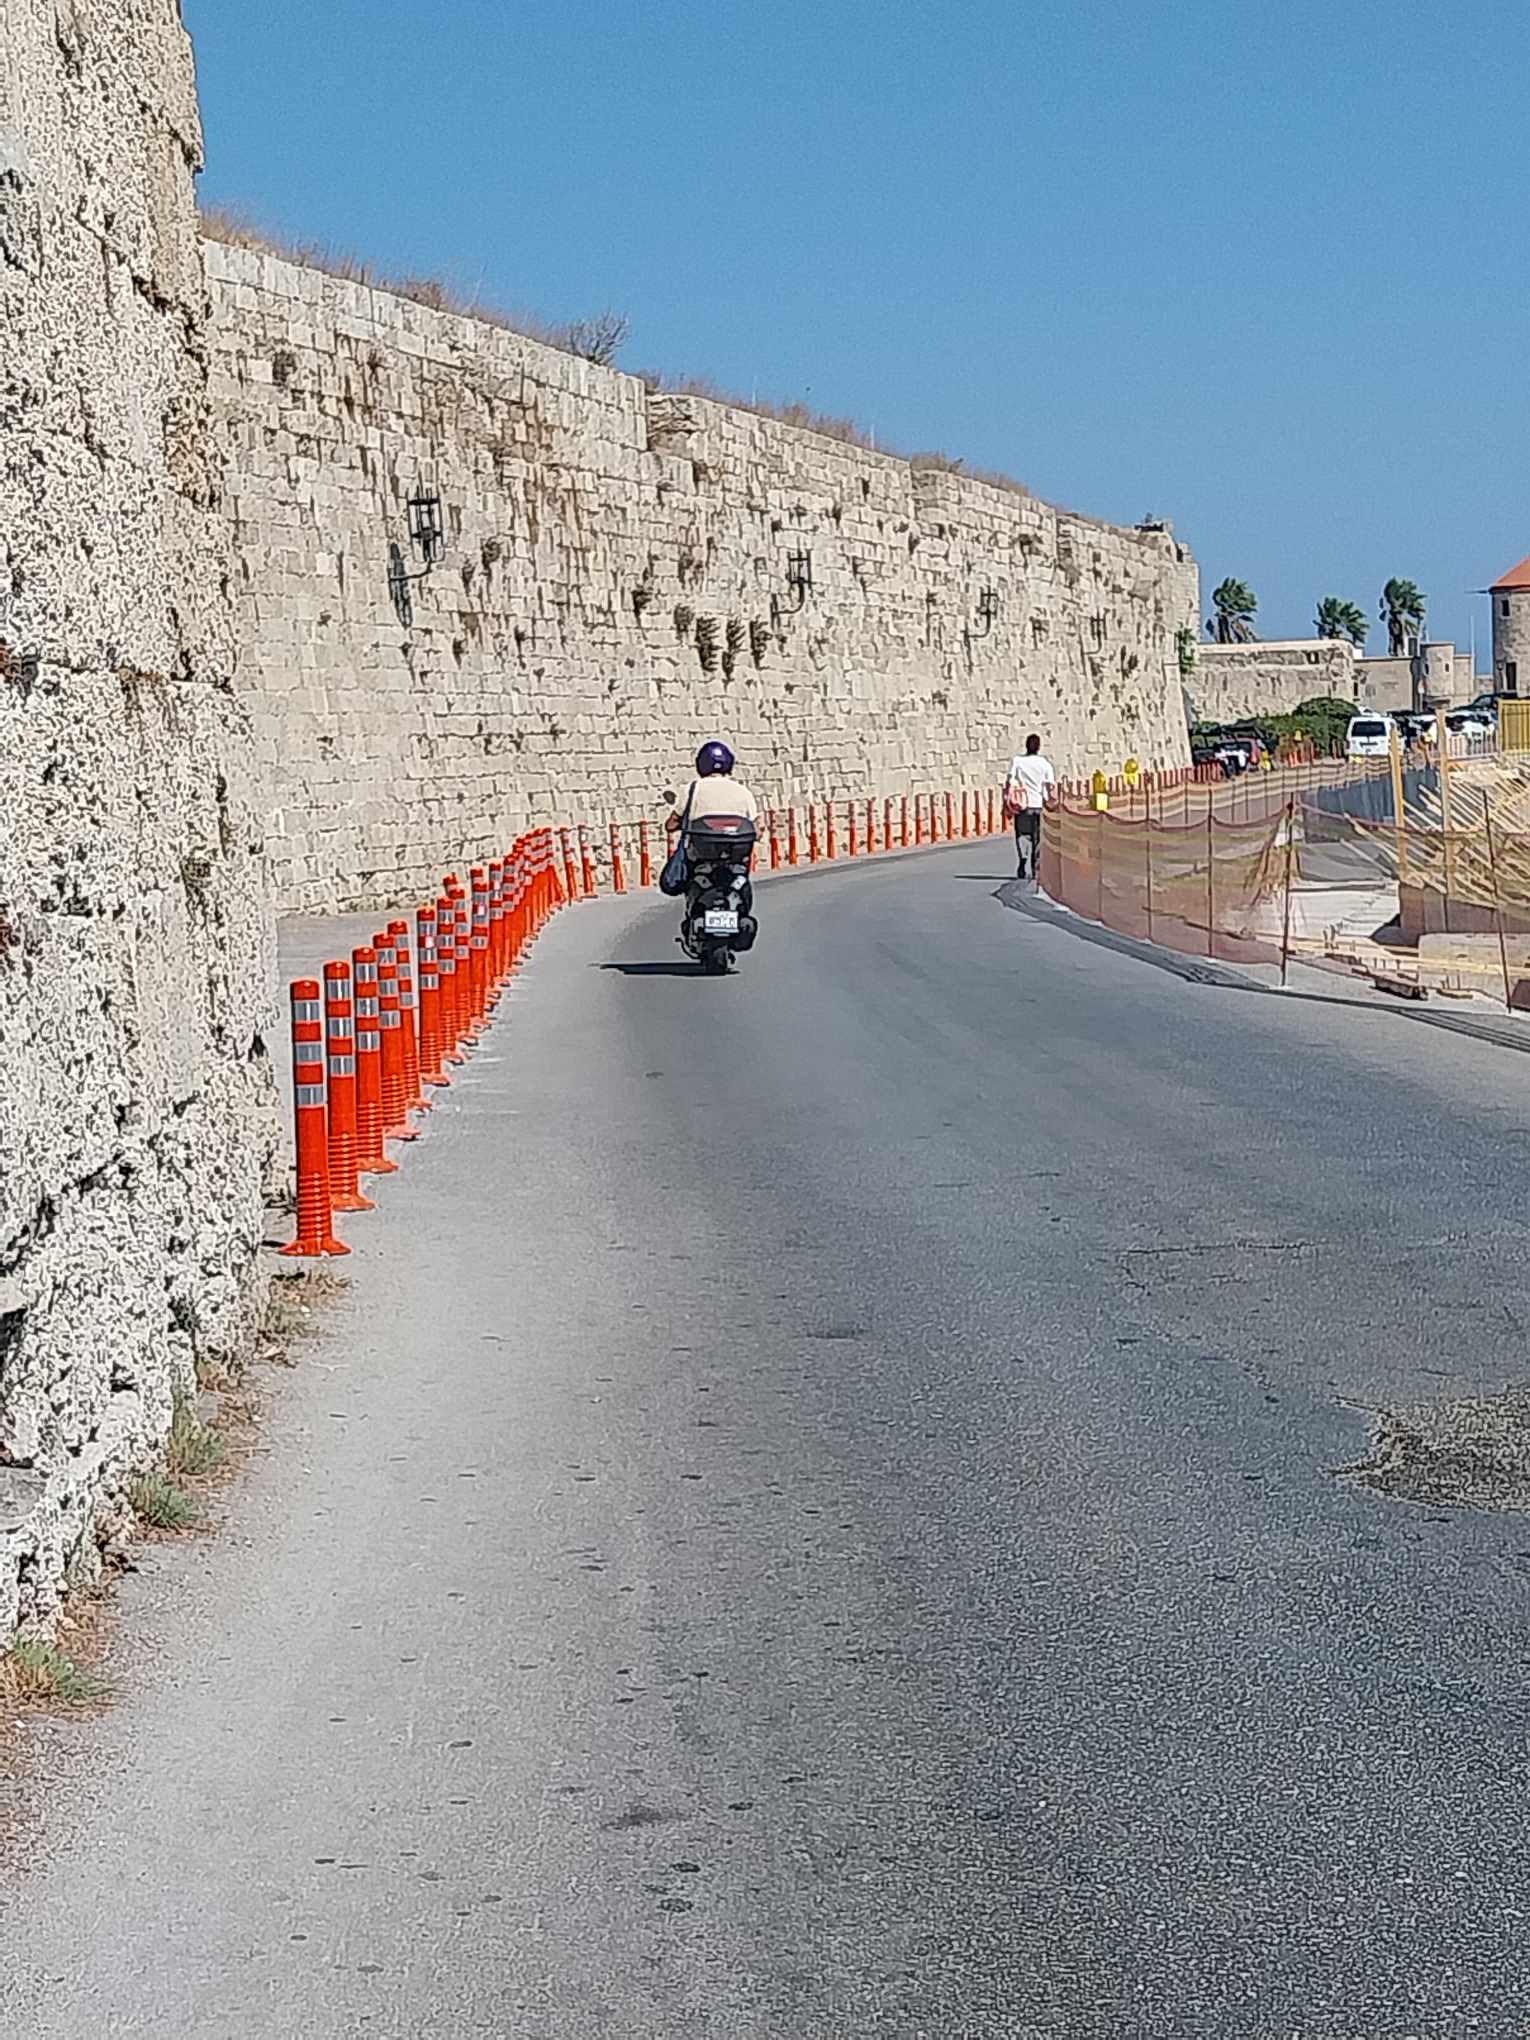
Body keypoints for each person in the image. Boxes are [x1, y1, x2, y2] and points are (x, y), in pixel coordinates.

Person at [665, 740, 760, 840]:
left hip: (699, 848)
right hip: (736, 848)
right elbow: (757, 829)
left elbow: (671, 825)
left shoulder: (692, 789)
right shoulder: (743, 792)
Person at [1004, 732, 1056, 881]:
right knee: (1038, 838)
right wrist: (1052, 803)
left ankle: (1023, 859)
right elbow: (1050, 786)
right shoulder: (1045, 764)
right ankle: (1035, 867)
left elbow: (1010, 781)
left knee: (1022, 834)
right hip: (1039, 805)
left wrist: (1007, 800)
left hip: (1022, 805)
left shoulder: (1017, 761)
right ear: (1039, 747)